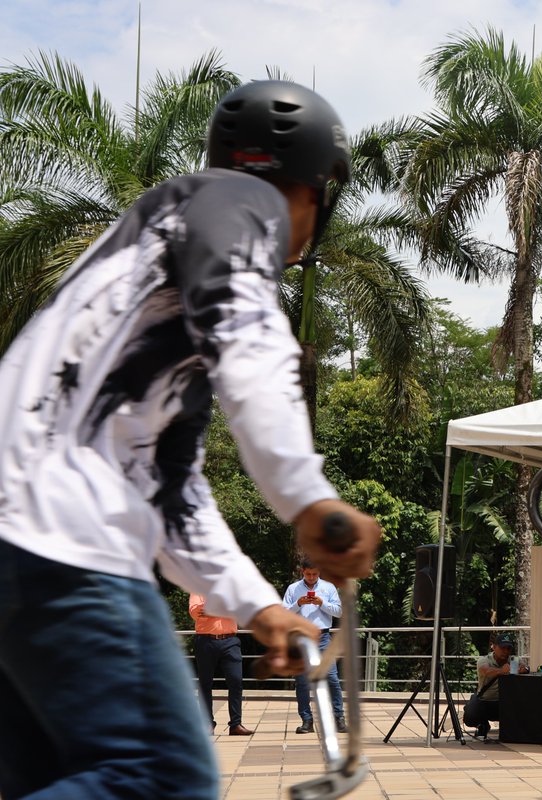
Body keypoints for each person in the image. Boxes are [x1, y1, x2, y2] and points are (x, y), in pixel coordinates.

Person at [0, 80, 382, 800]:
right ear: (310, 190)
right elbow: (247, 330)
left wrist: (256, 603)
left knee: (54, 779)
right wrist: (309, 499)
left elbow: (172, 490)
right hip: (60, 534)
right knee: (161, 777)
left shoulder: (149, 272)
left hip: (20, 544)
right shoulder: (237, 202)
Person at [284, 562, 346, 733]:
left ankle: (339, 718)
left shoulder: (329, 587)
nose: (311, 578)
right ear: (303, 571)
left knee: (332, 678)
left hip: (323, 637)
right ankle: (306, 720)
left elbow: (339, 612)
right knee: (302, 682)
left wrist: (321, 603)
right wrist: (298, 603)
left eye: (314, 574)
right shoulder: (293, 589)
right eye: (308, 574)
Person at [190, 594, 253, 736]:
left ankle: (236, 724)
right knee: (205, 683)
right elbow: (195, 612)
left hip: (230, 641)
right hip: (205, 641)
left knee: (236, 681)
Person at [464, 634, 529, 739]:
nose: (505, 651)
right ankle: (483, 725)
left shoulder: (514, 660)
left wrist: (523, 669)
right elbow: (486, 671)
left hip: (505, 703)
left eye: (508, 648)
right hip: (485, 701)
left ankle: (510, 728)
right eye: (502, 647)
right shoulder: (484, 660)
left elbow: (525, 668)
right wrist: (501, 671)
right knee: (470, 716)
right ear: (493, 647)